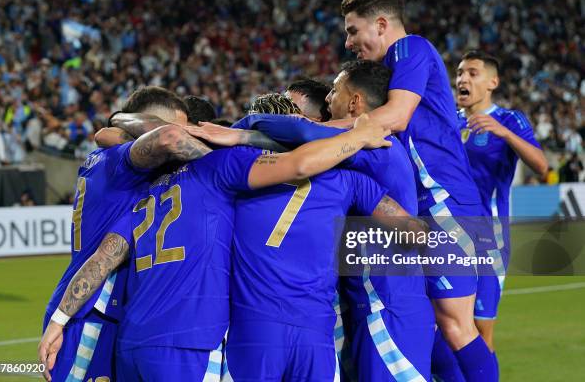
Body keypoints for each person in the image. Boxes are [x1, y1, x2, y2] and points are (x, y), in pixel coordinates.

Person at [38, 110, 394, 381]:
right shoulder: (218, 167)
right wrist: (359, 136)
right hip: (191, 343)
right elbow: (299, 164)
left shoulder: (144, 197)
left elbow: (104, 256)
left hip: (133, 344)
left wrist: (59, 319)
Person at [190, 61, 434, 381]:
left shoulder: (377, 145)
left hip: (387, 308)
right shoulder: (347, 171)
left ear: (354, 102)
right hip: (350, 312)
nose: (328, 99)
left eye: (334, 90)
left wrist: (241, 131)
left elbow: (298, 133)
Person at [340, 0, 496, 381]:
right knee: (435, 325)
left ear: (380, 23)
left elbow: (398, 114)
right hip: (423, 207)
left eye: (353, 30)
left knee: (455, 324)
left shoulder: (410, 49)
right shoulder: (390, 69)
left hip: (445, 202)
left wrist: (312, 133)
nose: (349, 42)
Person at [39, 86, 211, 382]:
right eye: (178, 129)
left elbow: (109, 134)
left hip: (105, 312)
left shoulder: (106, 158)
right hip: (88, 312)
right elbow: (163, 139)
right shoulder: (122, 164)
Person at [456, 50, 547, 376]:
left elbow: (541, 165)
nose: (463, 79)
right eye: (460, 72)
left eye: (473, 73)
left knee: (480, 331)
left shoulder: (510, 120)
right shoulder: (451, 122)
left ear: (492, 82)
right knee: (447, 326)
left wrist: (503, 133)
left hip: (487, 238)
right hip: (447, 236)